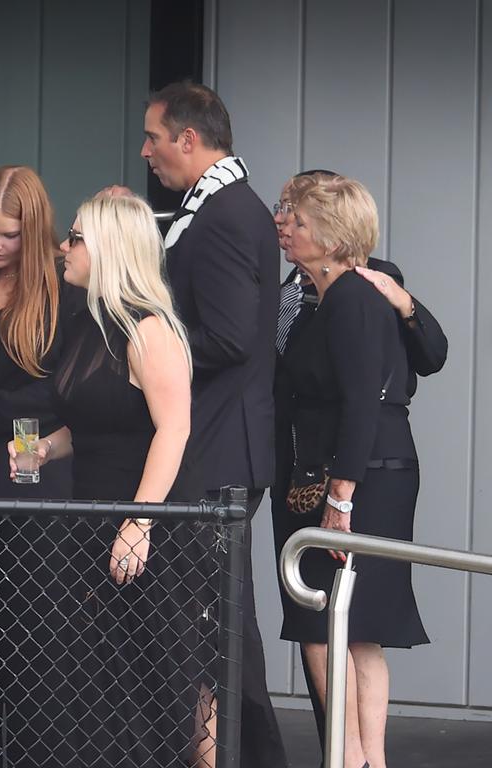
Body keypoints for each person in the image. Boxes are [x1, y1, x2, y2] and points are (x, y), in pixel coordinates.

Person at [7, 193, 215, 767]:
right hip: (92, 519)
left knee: (158, 677)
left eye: (75, 238)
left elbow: (172, 430)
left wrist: (140, 520)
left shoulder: (151, 331)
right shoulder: (89, 324)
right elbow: (99, 420)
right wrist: (45, 449)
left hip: (150, 528)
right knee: (96, 678)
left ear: (109, 250)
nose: (63, 249)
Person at [270, 170, 448, 755]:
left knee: (323, 626)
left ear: (333, 233)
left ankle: (348, 757)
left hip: (355, 474)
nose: (286, 227)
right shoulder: (325, 297)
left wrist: (341, 496)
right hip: (370, 470)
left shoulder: (354, 295)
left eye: (298, 219)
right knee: (359, 628)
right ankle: (368, 759)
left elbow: (361, 399)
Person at [140, 80, 286, 768]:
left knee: (216, 622)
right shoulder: (227, 205)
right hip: (225, 442)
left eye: (154, 138)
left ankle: (239, 755)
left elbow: (229, 337)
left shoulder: (225, 213)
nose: (148, 153)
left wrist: (149, 350)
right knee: (218, 619)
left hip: (222, 447)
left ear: (189, 139)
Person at [0, 165, 76, 766]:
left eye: (9, 235)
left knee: (33, 598)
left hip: (32, 444)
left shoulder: (61, 283)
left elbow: (59, 392)